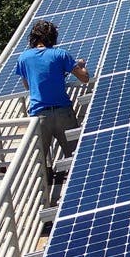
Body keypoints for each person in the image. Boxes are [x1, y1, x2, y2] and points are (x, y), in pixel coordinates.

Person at [15, 20, 91, 177]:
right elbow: (84, 78)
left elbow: (27, 86)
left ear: (34, 38)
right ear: (53, 37)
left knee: (39, 161)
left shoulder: (24, 58)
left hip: (39, 116)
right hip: (63, 113)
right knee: (77, 160)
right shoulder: (60, 55)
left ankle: (45, 190)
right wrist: (82, 66)